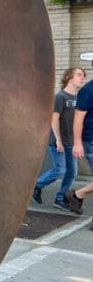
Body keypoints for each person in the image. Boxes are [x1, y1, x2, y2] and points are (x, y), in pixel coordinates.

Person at [31, 68, 86, 210]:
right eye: (79, 75)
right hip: (58, 141)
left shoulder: (80, 98)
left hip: (71, 143)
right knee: (60, 169)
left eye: (84, 75)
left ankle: (60, 198)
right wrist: (58, 140)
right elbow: (54, 119)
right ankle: (36, 185)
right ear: (69, 77)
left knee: (72, 173)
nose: (82, 78)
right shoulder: (60, 97)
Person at [65, 76, 93, 219]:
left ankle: (77, 195)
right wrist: (77, 143)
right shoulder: (88, 90)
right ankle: (76, 195)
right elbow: (78, 118)